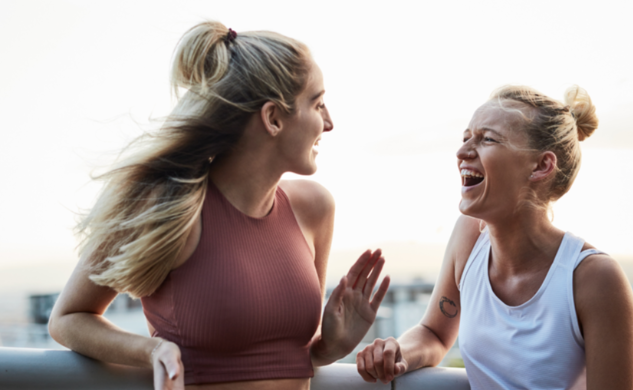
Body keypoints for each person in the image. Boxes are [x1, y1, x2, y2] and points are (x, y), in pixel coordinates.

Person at [48, 21, 390, 390]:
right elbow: (68, 318)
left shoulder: (314, 207)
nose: (329, 122)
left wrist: (332, 345)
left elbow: (292, 356)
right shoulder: (169, 205)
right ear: (273, 118)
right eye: (318, 103)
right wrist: (151, 350)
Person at [356, 85, 633, 389]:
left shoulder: (595, 279)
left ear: (541, 166)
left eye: (487, 139)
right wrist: (397, 351)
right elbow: (435, 334)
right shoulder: (469, 235)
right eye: (466, 138)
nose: (462, 152)